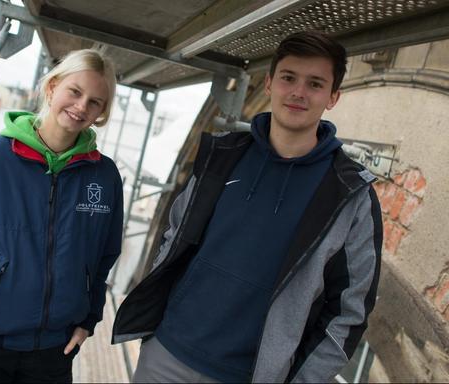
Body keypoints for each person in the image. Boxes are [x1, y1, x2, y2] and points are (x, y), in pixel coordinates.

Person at [112, 31, 382, 383]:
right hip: (167, 353)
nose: (298, 92)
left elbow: (349, 310)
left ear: (333, 97)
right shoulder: (223, 155)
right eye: (288, 78)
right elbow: (174, 233)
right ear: (269, 83)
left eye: (315, 84)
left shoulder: (350, 194)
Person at [0, 48, 123, 382]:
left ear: (102, 112)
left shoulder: (104, 175)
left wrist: (88, 320)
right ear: (51, 88)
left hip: (53, 351)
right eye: (75, 91)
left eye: (95, 101)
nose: (81, 106)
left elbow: (103, 257)